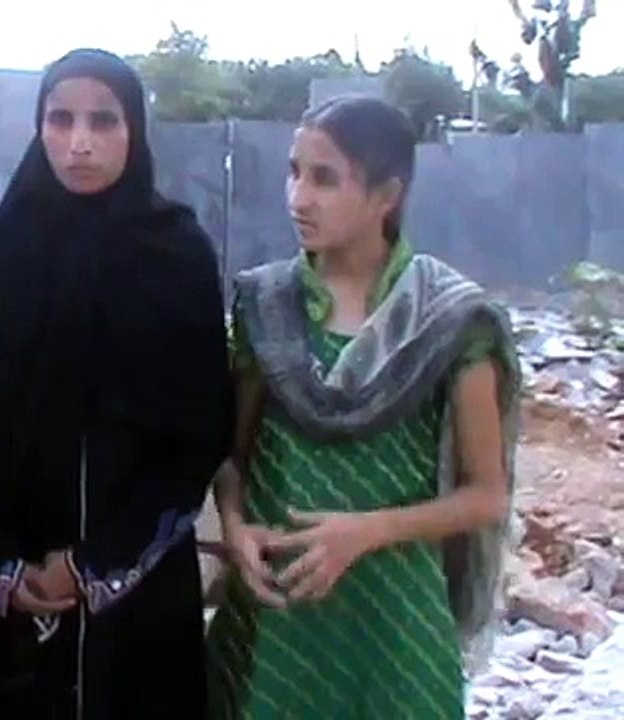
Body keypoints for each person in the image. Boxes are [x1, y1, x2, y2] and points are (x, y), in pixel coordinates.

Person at [205, 96, 521, 719]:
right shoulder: (266, 306)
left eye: (325, 179)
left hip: (394, 626)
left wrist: (367, 532)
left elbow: (487, 496)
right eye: (294, 172)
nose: (299, 198)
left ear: (386, 196)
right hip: (276, 616)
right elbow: (230, 456)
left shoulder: (451, 320)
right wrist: (236, 526)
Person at [0, 48, 235, 718]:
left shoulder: (177, 254)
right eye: (60, 119)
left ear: (134, 129)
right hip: (13, 585)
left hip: (137, 589)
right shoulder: (4, 251)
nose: (79, 142)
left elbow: (201, 429)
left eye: (103, 121)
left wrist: (94, 564)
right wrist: (1, 564)